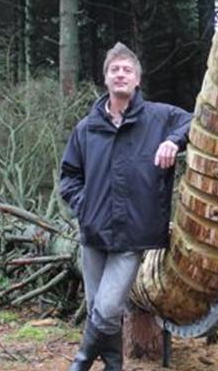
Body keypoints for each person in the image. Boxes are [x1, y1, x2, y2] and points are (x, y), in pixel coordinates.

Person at [58, 42, 191, 371]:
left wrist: (173, 141)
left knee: (106, 306)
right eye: (114, 70)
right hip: (94, 232)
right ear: (106, 79)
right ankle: (114, 365)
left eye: (127, 70)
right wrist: (84, 207)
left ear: (137, 80)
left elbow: (194, 118)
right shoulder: (86, 128)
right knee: (98, 310)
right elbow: (69, 176)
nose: (120, 74)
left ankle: (82, 360)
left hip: (133, 233)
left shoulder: (159, 117)